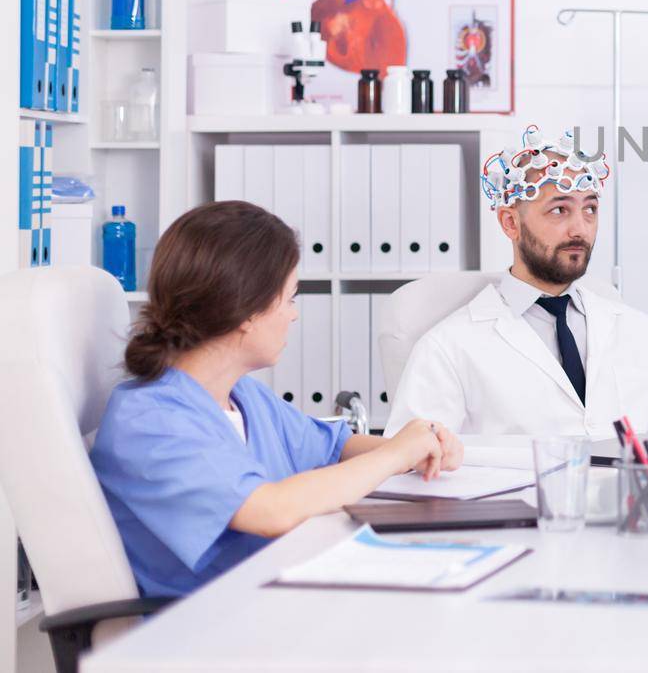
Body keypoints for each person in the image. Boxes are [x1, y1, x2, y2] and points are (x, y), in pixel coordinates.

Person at [91, 201, 464, 598]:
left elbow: (334, 446)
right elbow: (270, 511)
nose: (294, 315)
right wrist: (395, 456)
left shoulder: (242, 397)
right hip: (213, 625)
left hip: (284, 594)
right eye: (289, 298)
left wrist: (421, 443)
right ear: (246, 311)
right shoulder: (151, 421)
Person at [388, 125, 648, 440]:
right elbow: (410, 464)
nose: (580, 228)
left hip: (625, 497)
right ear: (510, 222)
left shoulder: (635, 330)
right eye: (560, 210)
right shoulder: (449, 346)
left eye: (590, 209)